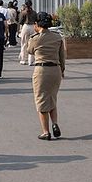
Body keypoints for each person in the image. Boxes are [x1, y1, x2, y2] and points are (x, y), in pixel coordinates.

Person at [27, 12, 66, 140]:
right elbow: (62, 56)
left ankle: (45, 131)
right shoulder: (57, 37)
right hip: (55, 70)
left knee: (41, 101)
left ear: (37, 24)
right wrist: (62, 70)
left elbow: (29, 50)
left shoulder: (35, 38)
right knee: (52, 98)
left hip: (41, 70)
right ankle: (55, 124)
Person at [18, 0, 37, 66]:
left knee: (24, 44)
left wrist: (19, 31)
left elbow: (20, 22)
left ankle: (23, 60)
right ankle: (31, 60)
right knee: (32, 44)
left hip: (25, 26)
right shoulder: (34, 12)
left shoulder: (23, 12)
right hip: (32, 27)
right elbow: (36, 20)